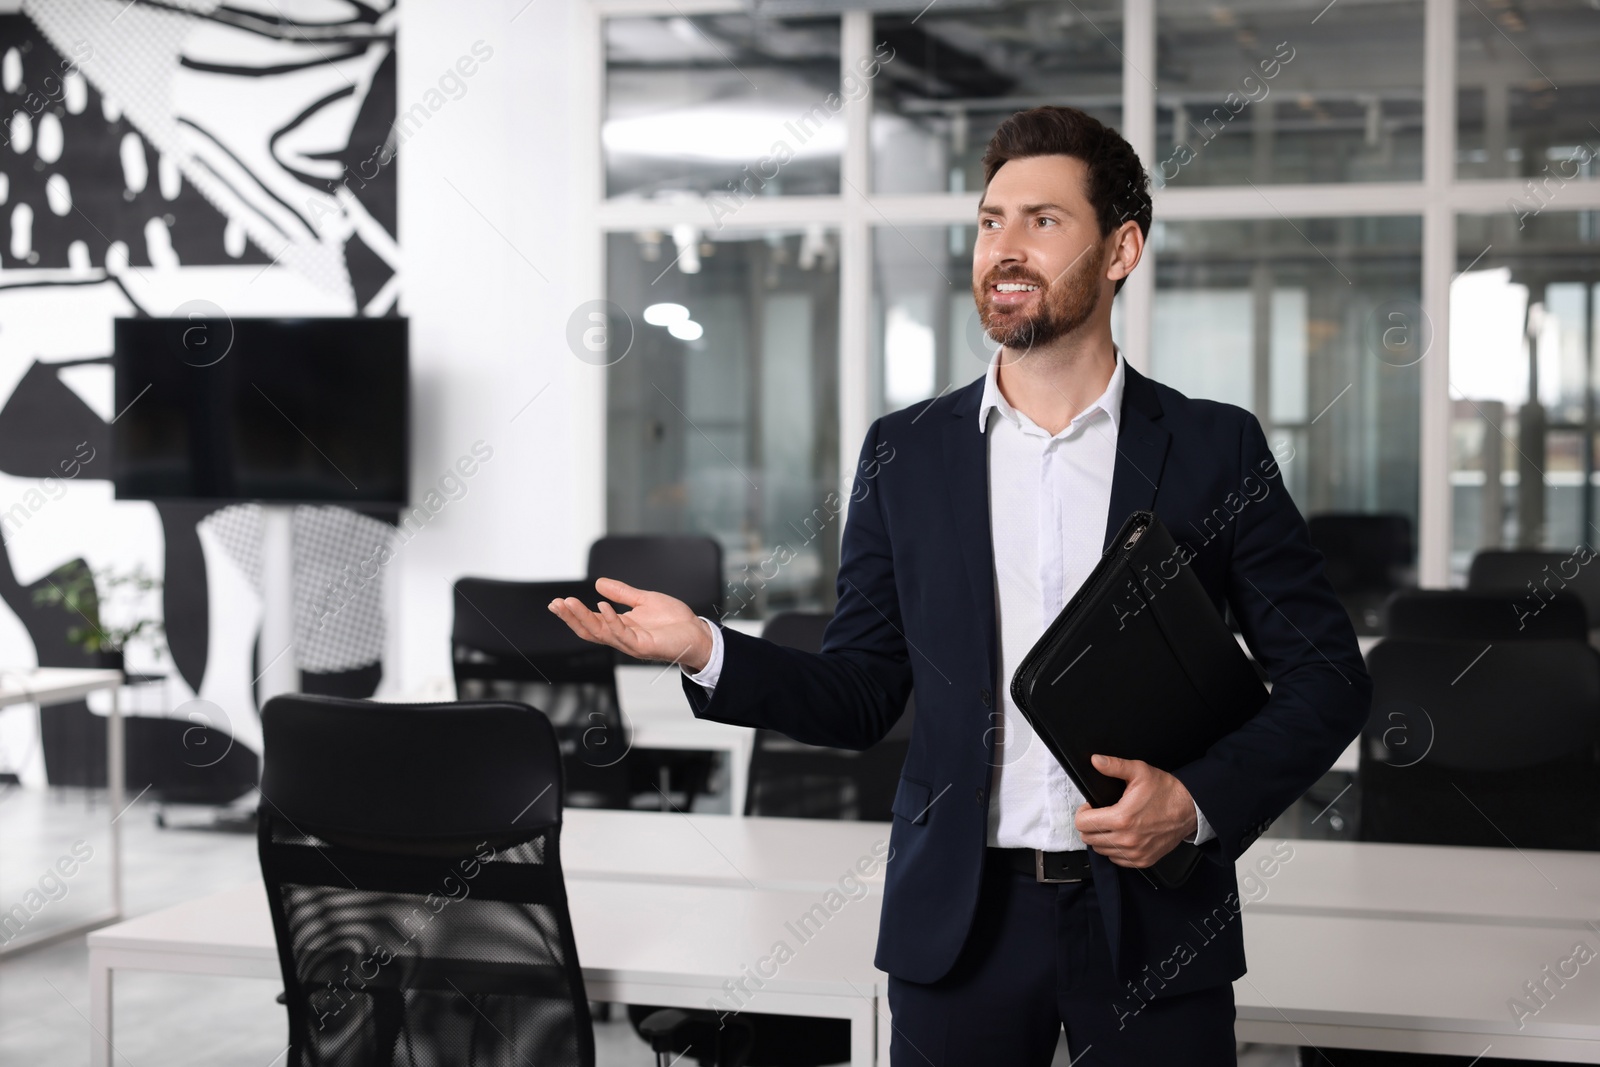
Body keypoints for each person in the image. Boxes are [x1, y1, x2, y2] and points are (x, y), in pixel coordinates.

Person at [550, 105, 1371, 1066]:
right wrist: (704, 647)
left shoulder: (1212, 447)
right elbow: (862, 690)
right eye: (990, 221)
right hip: (962, 926)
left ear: (1122, 249)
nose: (1005, 247)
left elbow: (1327, 680)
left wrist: (1193, 801)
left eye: (1043, 220)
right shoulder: (907, 453)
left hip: (1157, 920)